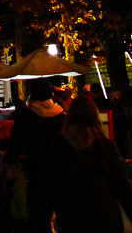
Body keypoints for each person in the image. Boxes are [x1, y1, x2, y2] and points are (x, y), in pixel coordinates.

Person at [43, 95, 132, 232]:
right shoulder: (105, 146)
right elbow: (122, 188)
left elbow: (48, 188)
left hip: (71, 220)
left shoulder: (58, 146)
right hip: (106, 220)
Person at [5, 77, 65, 233]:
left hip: (36, 173)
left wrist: (9, 159)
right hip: (61, 173)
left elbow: (15, 145)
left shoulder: (26, 118)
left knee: (38, 219)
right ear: (51, 94)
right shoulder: (62, 117)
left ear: (32, 95)